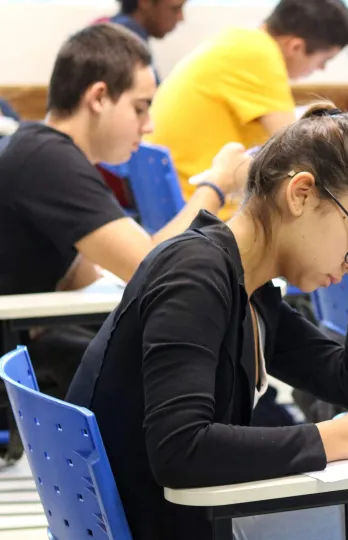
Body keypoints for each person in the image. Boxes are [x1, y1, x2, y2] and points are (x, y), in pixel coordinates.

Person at [66, 102, 348, 540]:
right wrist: (340, 438)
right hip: (173, 525)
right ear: (301, 193)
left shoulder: (250, 287)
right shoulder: (195, 274)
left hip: (196, 515)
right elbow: (179, 451)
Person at [0, 24, 243, 400]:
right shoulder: (47, 158)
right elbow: (151, 265)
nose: (148, 126)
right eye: (140, 108)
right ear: (98, 97)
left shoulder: (46, 151)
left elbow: (85, 273)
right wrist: (216, 186)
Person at [145, 0, 348, 210]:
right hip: (198, 202)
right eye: (324, 60)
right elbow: (298, 149)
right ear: (296, 47)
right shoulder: (259, 54)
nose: (320, 69)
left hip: (173, 191)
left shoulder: (238, 39)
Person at [92, 0, 187, 84]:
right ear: (145, 2)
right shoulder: (124, 39)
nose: (181, 18)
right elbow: (154, 100)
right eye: (175, 9)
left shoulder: (107, 28)